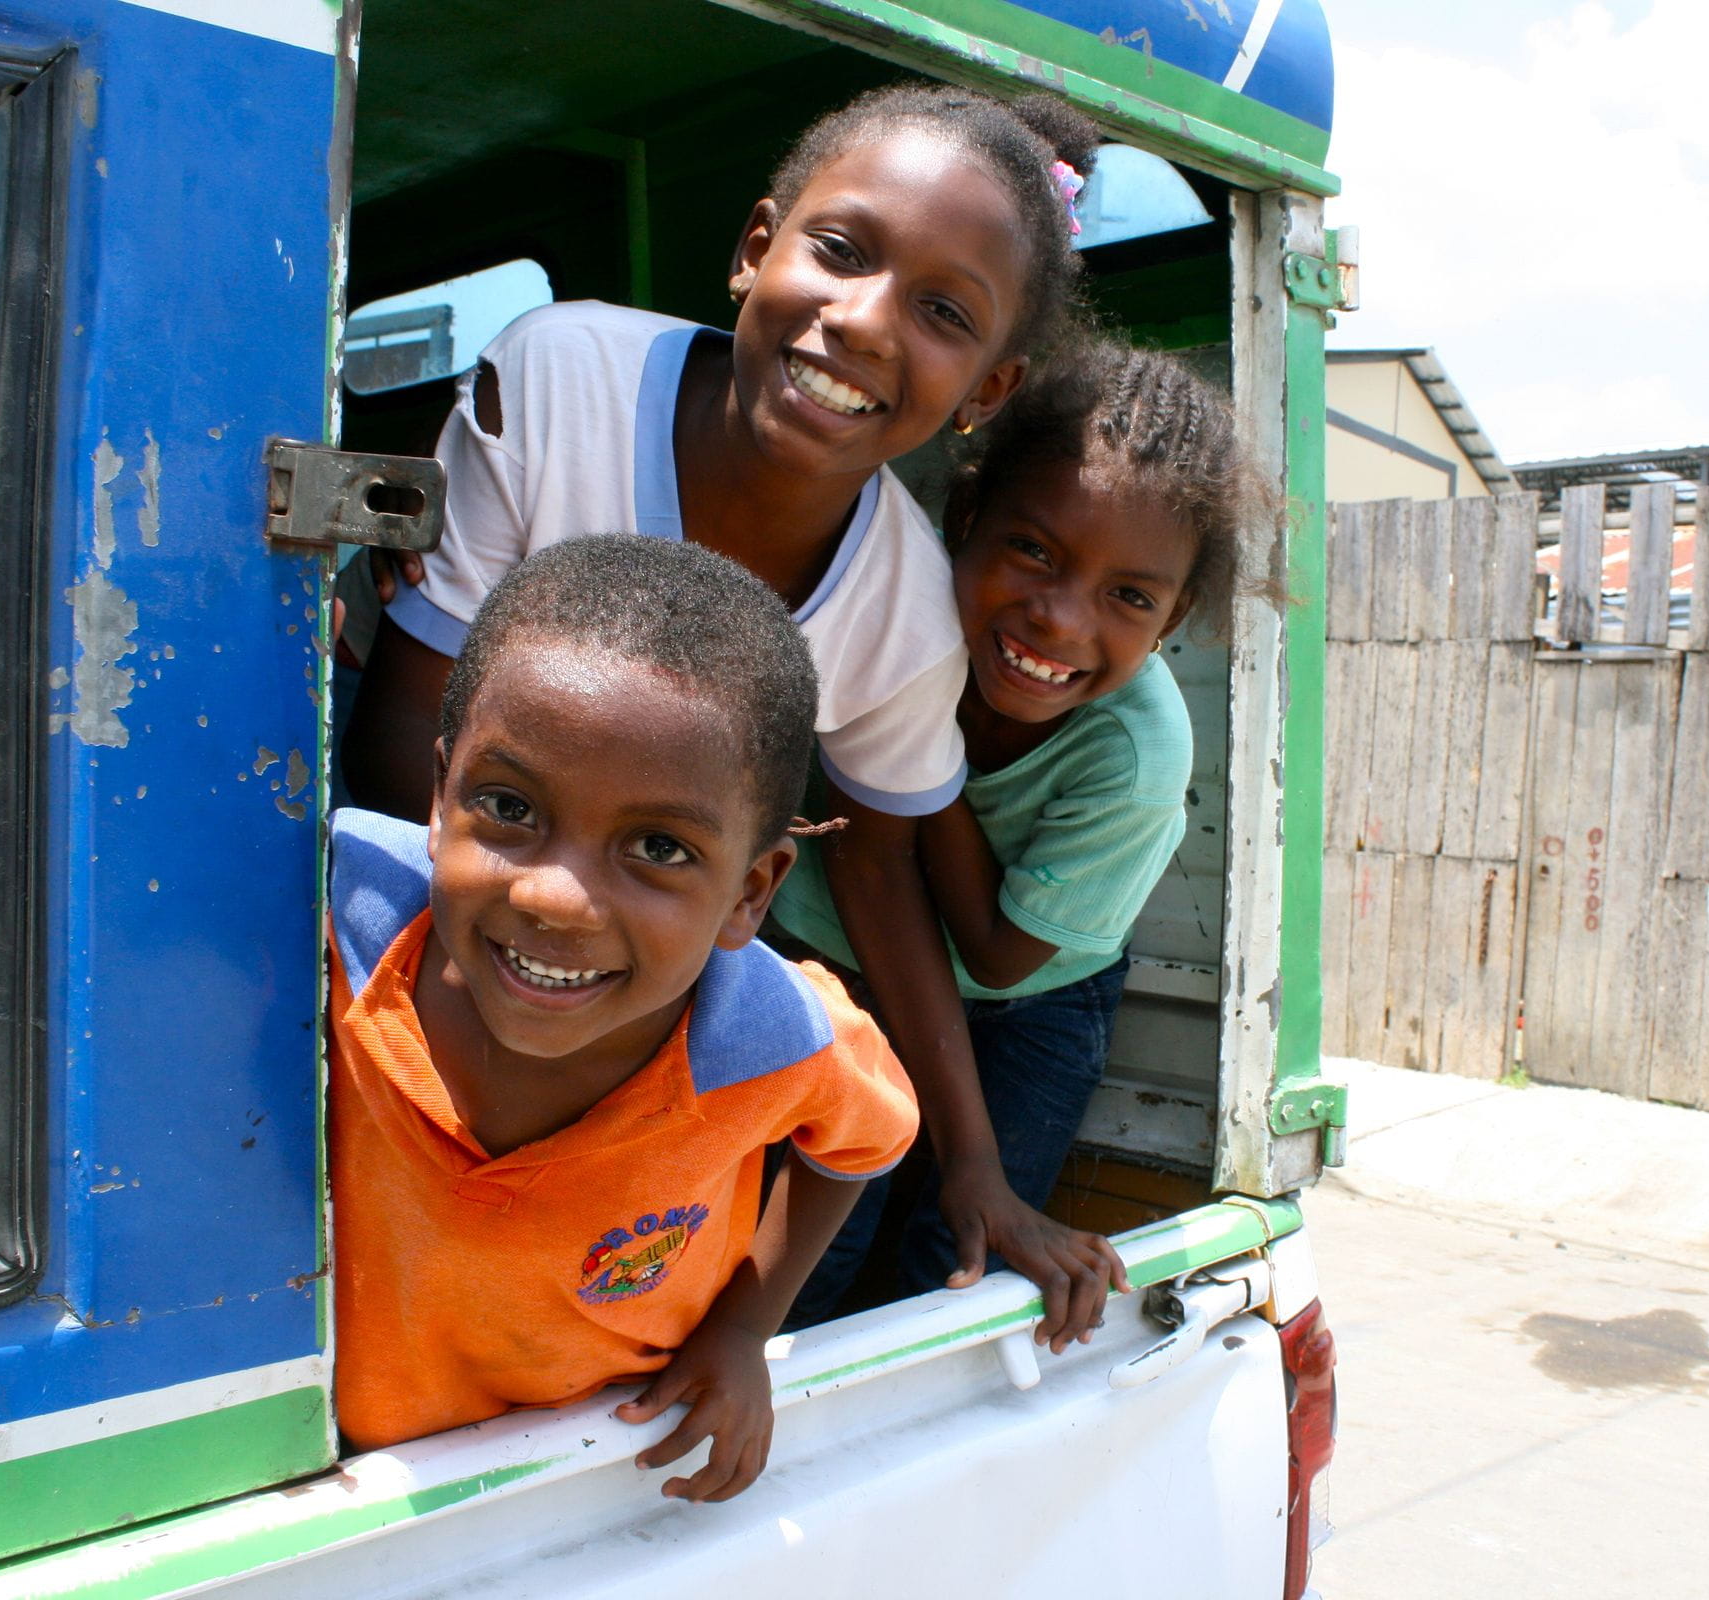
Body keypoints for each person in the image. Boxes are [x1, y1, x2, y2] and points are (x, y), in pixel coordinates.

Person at [340, 83, 1126, 1347]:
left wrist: (977, 1166)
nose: (863, 321)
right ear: (756, 248)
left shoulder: (906, 613)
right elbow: (402, 746)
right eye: (841, 250)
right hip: (431, 897)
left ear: (989, 388)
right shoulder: (564, 376)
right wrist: (472, 1013)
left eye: (940, 313)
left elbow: (884, 875)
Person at [326, 537, 919, 1502]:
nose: (557, 897)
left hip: (600, 1472)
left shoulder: (771, 1036)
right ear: (439, 800)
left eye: (657, 847)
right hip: (334, 1484)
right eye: (508, 805)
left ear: (752, 893)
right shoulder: (337, 930)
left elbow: (867, 1142)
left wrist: (742, 1329)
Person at [773, 340, 1273, 1335]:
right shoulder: (892, 625)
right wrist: (912, 749)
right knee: (811, 1248)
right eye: (1033, 551)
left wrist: (920, 761)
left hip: (1029, 997)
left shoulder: (1135, 753)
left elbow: (999, 959)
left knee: (959, 1257)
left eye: (1130, 597)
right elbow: (872, 864)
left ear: (1173, 620)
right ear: (965, 522)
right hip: (838, 946)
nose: (1057, 621)